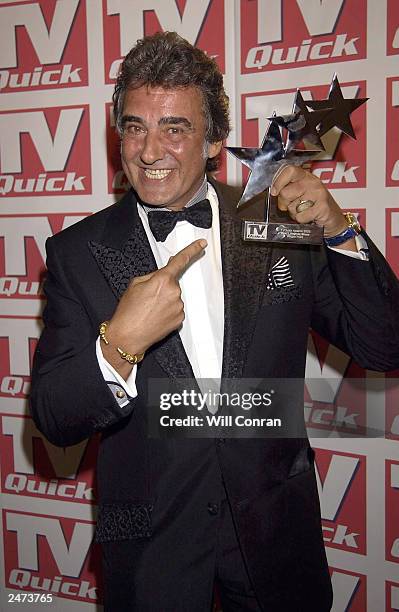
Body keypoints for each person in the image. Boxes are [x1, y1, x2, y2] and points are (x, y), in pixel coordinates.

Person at [30, 32, 399, 612]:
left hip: (276, 533)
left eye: (174, 128)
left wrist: (338, 229)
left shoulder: (272, 229)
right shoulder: (77, 253)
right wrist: (120, 344)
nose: (149, 151)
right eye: (134, 127)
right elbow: (54, 416)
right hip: (153, 549)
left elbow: (384, 344)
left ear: (213, 141)